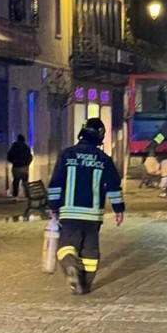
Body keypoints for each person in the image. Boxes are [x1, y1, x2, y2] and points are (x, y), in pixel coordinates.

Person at [48, 118, 125, 295]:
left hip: (69, 213)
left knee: (66, 247)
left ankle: (71, 265)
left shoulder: (67, 155)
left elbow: (56, 183)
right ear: (100, 135)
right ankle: (85, 285)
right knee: (90, 251)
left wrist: (53, 206)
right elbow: (114, 185)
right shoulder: (104, 159)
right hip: (93, 215)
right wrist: (118, 209)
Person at [7, 134, 33, 201]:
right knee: (25, 182)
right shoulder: (26, 147)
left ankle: (15, 196)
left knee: (16, 181)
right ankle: (27, 195)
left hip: (16, 167)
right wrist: (27, 163)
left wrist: (13, 162)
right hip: (24, 167)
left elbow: (9, 156)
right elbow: (30, 157)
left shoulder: (14, 147)